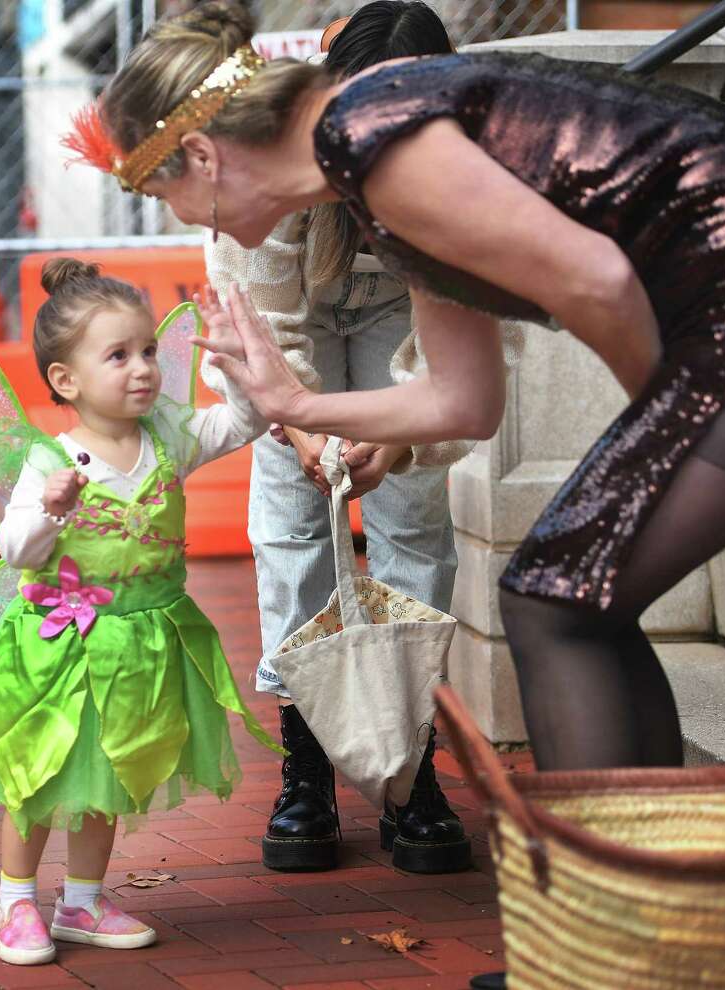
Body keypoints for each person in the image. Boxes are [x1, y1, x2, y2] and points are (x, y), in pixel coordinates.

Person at [68, 0, 725, 786]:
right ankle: (643, 890)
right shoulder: (366, 167)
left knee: (553, 598)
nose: (181, 220)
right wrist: (295, 407)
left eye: (160, 193)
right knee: (564, 598)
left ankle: (615, 915)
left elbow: (602, 281)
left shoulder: (372, 141)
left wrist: (658, 427)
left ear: (206, 157)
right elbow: (463, 404)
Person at [204, 1, 477, 875]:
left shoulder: (466, 170)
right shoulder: (271, 150)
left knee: (413, 519)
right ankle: (307, 763)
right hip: (297, 302)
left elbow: (467, 357)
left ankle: (409, 770)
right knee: (290, 517)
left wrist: (398, 443)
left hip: (407, 302)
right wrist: (297, 425)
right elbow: (257, 320)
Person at [0, 260, 281, 966]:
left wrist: (235, 360)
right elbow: (16, 548)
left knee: (107, 773)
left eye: (150, 351)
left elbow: (248, 421)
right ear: (66, 381)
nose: (144, 369)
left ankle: (83, 899)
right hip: (59, 646)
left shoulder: (170, 439)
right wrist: (51, 509)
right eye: (119, 355)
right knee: (37, 775)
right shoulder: (51, 461)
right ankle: (15, 900)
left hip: (140, 646)